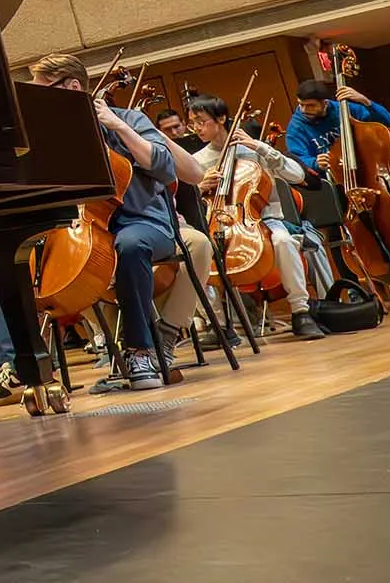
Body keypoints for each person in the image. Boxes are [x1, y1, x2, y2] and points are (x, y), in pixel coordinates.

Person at [29, 54, 195, 391]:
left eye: (43, 93)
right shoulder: (54, 136)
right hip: (87, 229)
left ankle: (140, 350)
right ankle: (21, 365)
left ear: (72, 87)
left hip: (146, 223)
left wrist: (117, 126)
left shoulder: (129, 119)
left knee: (130, 245)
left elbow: (164, 168)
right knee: (23, 259)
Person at [186, 96, 327, 340]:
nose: (197, 129)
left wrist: (261, 147)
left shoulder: (253, 150)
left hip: (264, 221)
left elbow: (296, 175)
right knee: (195, 254)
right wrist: (199, 188)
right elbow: (187, 204)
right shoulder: (197, 160)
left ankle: (300, 311)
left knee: (284, 240)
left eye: (201, 122)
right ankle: (218, 324)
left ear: (221, 119)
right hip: (219, 223)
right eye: (192, 123)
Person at [285, 79, 390, 171]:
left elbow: (389, 126)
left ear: (325, 103)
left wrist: (366, 102)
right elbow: (298, 158)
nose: (304, 110)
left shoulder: (344, 109)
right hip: (333, 180)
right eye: (301, 104)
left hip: (365, 167)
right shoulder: (296, 127)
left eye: (310, 105)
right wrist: (314, 163)